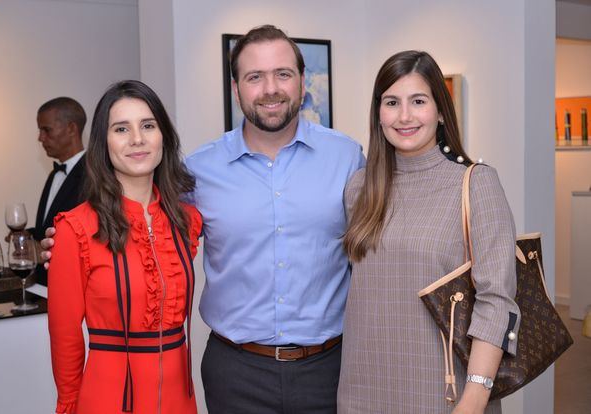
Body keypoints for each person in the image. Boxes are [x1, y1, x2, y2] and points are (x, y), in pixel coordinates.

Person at [43, 25, 364, 414]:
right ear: (236, 88)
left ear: (301, 80)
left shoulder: (347, 158)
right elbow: (127, 224)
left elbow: (378, 242)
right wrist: (64, 247)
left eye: (283, 74)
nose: (270, 89)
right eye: (254, 77)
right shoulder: (199, 172)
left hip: (329, 368)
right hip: (235, 373)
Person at [338, 50, 520, 413]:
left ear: (439, 111)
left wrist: (474, 398)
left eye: (418, 101)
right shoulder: (359, 188)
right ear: (379, 114)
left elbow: (496, 300)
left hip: (445, 392)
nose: (404, 116)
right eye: (392, 102)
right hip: (361, 390)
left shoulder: (475, 184)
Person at [47, 80, 201, 414]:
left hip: (180, 398)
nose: (137, 139)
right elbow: (65, 337)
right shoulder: (75, 229)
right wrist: (69, 404)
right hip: (110, 399)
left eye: (148, 125)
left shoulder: (186, 220)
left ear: (164, 137)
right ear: (103, 142)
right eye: (121, 128)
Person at [32, 97, 87, 285]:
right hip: (45, 286)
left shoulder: (95, 177)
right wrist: (27, 235)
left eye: (46, 130)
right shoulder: (53, 175)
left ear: (71, 129)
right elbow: (54, 224)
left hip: (73, 286)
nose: (40, 138)